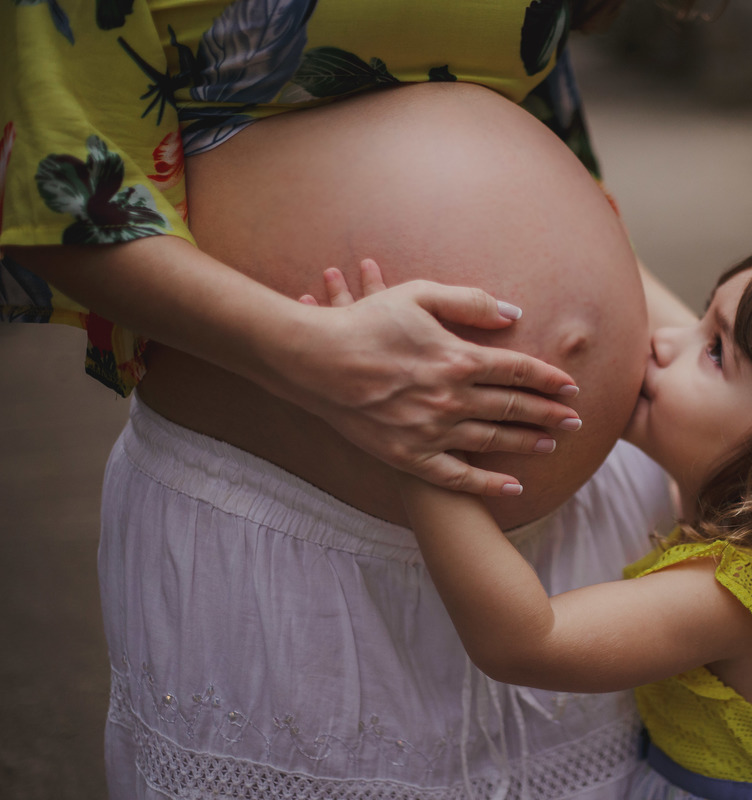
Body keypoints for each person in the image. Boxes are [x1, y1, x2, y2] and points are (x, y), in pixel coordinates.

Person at [1, 2, 696, 797]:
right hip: (289, 525)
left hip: (578, 537)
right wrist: (317, 356)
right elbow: (59, 198)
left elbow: (555, 151)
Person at [340, 244, 752, 800]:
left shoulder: (737, 596)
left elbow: (527, 641)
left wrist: (420, 450)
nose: (662, 340)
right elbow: (660, 306)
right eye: (701, 317)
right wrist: (601, 235)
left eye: (713, 350)